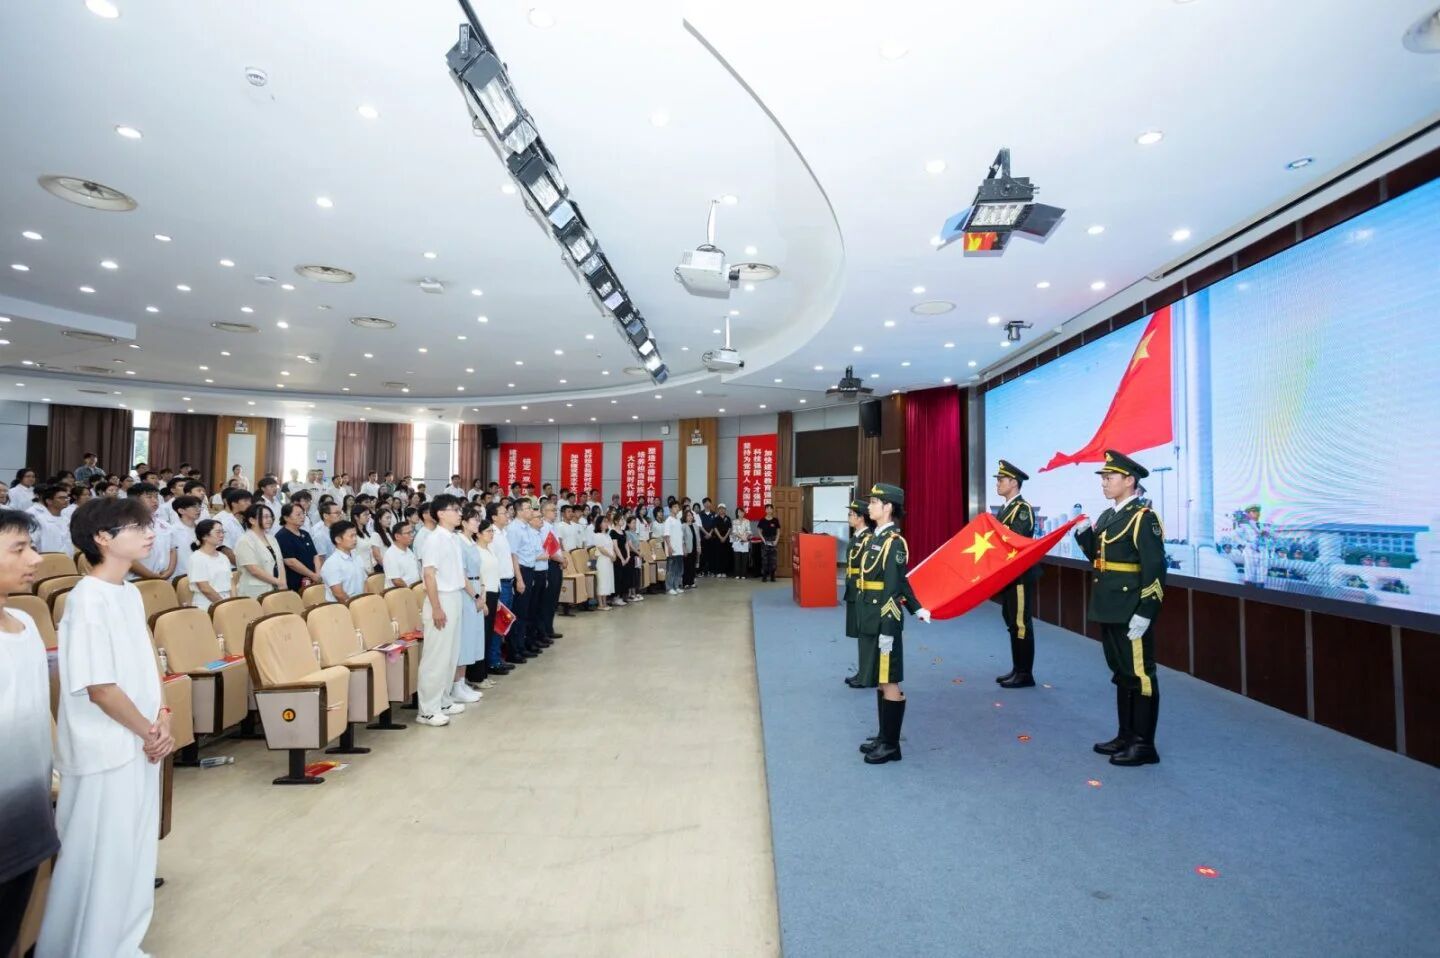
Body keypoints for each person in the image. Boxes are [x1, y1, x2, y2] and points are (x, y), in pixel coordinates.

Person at [38, 496, 175, 955]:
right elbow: (99, 687)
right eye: (138, 526)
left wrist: (163, 717)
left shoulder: (129, 592)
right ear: (102, 538)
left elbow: (148, 660)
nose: (150, 533)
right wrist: (147, 730)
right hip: (105, 745)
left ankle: (123, 944)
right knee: (98, 857)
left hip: (141, 739)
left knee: (134, 852)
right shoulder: (86, 599)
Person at [1073, 449, 1167, 767]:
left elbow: (1155, 569)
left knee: (1140, 675)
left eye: (1109, 477)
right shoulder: (1107, 516)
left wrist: (1146, 611)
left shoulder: (1143, 517)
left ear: (1129, 480)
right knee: (1122, 672)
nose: (1104, 482)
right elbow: (1100, 561)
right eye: (1103, 477)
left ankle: (1143, 744)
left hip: (1130, 609)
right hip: (1109, 606)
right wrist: (1085, 536)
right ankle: (1125, 736)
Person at [0, 509, 56, 958]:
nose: (35, 559)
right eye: (19, 549)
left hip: (28, 809)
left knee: (18, 922)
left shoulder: (26, 623)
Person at [855, 483, 931, 766]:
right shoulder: (876, 538)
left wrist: (892, 625)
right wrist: (916, 607)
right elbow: (901, 581)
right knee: (880, 676)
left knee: (889, 679)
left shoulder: (894, 542)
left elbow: (894, 586)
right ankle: (883, 736)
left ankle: (891, 745)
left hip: (885, 619)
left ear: (888, 507)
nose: (870, 506)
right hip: (871, 615)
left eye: (875, 502)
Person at [416, 495, 467, 727]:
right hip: (441, 599)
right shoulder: (434, 539)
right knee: (436, 657)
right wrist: (436, 607)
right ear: (441, 514)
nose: (459, 513)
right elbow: (429, 574)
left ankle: (443, 701)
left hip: (454, 596)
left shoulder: (453, 538)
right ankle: (427, 710)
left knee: (450, 654)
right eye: (454, 509)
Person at [993, 460, 1041, 689]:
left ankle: (1025, 673)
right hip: (1008, 575)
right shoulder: (1005, 509)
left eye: (1001, 480)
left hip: (1020, 575)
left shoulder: (1022, 509)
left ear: (1014, 482)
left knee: (1021, 623)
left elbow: (1016, 539)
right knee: (1011, 620)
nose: (997, 484)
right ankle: (1017, 668)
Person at [454, 505, 488, 699]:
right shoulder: (459, 542)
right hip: (465, 592)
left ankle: (463, 683)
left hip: (476, 589)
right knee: (464, 640)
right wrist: (475, 596)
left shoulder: (471, 542)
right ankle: (456, 686)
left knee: (472, 638)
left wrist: (482, 591)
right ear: (464, 522)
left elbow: (478, 570)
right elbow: (462, 574)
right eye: (475, 520)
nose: (478, 523)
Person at [842, 498, 876, 689]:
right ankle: (863, 671)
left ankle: (867, 674)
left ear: (861, 517)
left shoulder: (867, 539)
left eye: (851, 514)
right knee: (860, 633)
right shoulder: (857, 537)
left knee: (865, 634)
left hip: (862, 589)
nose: (849, 517)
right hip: (854, 588)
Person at [235, 503, 285, 598]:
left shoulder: (272, 538)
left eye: (270, 517)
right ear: (252, 520)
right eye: (265, 517)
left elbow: (280, 563)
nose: (269, 519)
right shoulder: (245, 540)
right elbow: (254, 570)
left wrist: (283, 583)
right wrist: (278, 582)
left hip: (276, 587)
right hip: (255, 591)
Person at [187, 519, 233, 612]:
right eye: (218, 532)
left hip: (227, 601)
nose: (222, 535)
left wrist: (233, 601)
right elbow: (205, 588)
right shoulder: (197, 558)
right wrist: (223, 605)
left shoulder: (223, 557)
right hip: (207, 604)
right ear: (205, 536)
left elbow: (231, 582)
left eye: (222, 532)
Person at [319, 520, 366, 603]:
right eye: (351, 536)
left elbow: (365, 582)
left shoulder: (357, 556)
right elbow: (339, 594)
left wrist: (366, 600)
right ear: (338, 539)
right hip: (341, 607)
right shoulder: (332, 563)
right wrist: (355, 606)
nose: (355, 539)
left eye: (355, 535)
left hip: (360, 603)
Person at [33, 483, 73, 555]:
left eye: (67, 497)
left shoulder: (67, 520)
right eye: (61, 498)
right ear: (49, 501)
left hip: (67, 559)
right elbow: (32, 543)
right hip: (47, 559)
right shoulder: (39, 520)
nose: (66, 500)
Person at [382, 520, 421, 587]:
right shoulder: (390, 554)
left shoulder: (408, 550)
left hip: (415, 588)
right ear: (397, 536)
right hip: (401, 591)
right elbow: (397, 581)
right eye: (408, 533)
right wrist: (411, 591)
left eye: (412, 532)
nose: (412, 535)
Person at [591, 514, 616, 611]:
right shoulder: (597, 535)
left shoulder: (607, 535)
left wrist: (614, 555)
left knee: (607, 581)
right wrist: (611, 556)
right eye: (604, 522)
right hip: (602, 560)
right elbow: (601, 549)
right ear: (599, 524)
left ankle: (605, 602)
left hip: (609, 561)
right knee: (602, 581)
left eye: (607, 521)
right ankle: (600, 604)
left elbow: (611, 547)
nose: (606, 523)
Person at [663, 502, 685, 595]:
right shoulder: (668, 520)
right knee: (671, 569)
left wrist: (683, 547)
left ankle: (676, 586)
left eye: (678, 507)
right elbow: (666, 536)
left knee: (679, 569)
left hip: (679, 549)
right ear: (670, 509)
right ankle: (669, 588)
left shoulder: (678, 520)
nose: (677, 508)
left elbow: (680, 536)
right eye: (675, 507)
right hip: (672, 549)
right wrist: (669, 547)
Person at [757, 503, 780, 582]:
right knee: (765, 559)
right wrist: (763, 539)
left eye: (770, 508)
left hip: (773, 540)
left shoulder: (775, 520)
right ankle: (764, 576)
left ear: (772, 510)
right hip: (765, 540)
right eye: (767, 509)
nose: (769, 510)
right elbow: (759, 531)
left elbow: (778, 531)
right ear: (765, 510)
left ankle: (772, 575)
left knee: (773, 559)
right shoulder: (762, 520)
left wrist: (776, 540)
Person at [730, 506, 752, 579]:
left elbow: (749, 531)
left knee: (744, 559)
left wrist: (745, 537)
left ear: (744, 513)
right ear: (737, 513)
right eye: (739, 512)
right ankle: (737, 574)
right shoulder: (734, 521)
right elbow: (734, 531)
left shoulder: (747, 521)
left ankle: (743, 574)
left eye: (742, 512)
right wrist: (741, 537)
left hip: (745, 541)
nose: (741, 513)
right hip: (737, 542)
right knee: (737, 558)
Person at [681, 508, 699, 589]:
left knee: (692, 566)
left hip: (694, 548)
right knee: (686, 566)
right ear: (685, 517)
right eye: (688, 515)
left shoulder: (695, 526)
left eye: (691, 515)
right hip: (687, 549)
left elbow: (698, 538)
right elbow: (682, 539)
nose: (690, 517)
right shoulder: (683, 526)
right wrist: (684, 548)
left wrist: (699, 547)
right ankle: (685, 583)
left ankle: (692, 582)